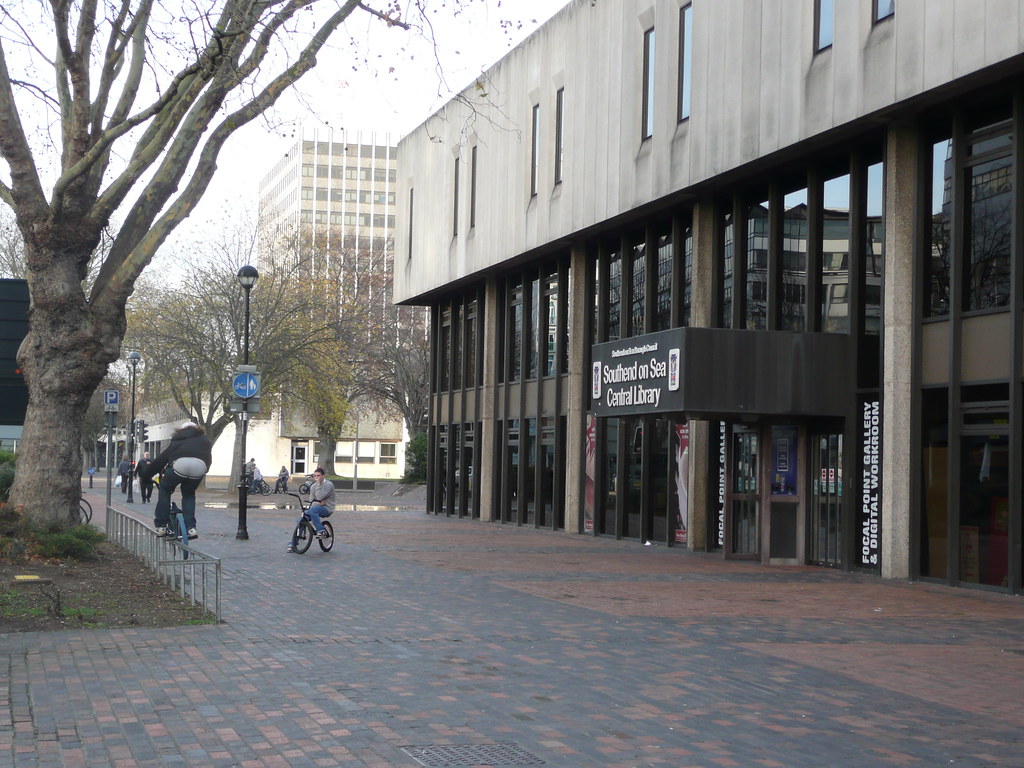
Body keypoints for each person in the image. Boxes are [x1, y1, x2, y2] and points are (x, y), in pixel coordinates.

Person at [140, 421, 212, 540]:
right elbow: (208, 459)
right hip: (199, 467)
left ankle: (162, 526)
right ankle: (191, 528)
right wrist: (204, 470)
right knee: (189, 494)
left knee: (165, 490)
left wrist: (146, 476)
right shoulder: (205, 440)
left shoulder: (178, 438)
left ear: (182, 430)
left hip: (179, 466)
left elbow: (161, 459)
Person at [287, 467, 334, 553]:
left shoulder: (328, 485)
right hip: (316, 507)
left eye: (318, 476)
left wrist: (319, 485)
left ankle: (321, 530)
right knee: (302, 519)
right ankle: (294, 543)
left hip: (327, 508)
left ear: (323, 476)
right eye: (315, 476)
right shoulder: (313, 486)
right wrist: (316, 503)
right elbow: (312, 500)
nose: (316, 477)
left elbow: (320, 497)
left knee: (313, 510)